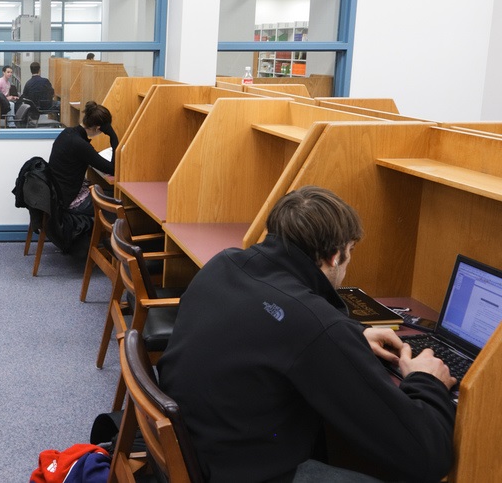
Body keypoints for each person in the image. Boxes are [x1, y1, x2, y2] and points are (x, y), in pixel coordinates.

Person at [157, 186, 456, 483]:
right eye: (351, 252)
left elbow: (271, 328)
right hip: (243, 470)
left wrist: (350, 337)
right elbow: (426, 457)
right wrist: (426, 381)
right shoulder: (314, 325)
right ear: (335, 256)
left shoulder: (223, 263)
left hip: (197, 449)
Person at [47, 101, 118, 217]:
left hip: (58, 192)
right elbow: (112, 169)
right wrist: (113, 137)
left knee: (105, 191)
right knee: (116, 200)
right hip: (69, 200)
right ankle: (106, 234)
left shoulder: (68, 132)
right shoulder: (80, 144)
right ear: (99, 128)